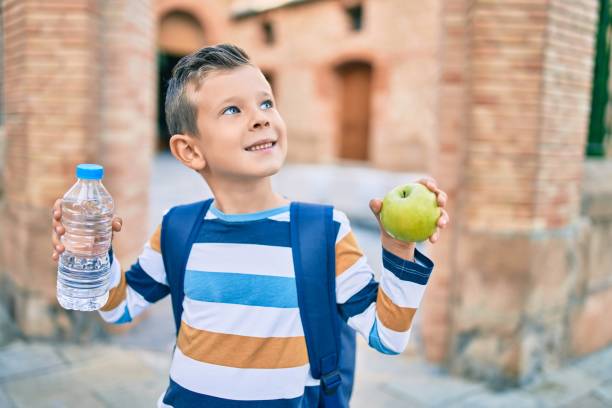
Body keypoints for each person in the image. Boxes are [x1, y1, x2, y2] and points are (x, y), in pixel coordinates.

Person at [51, 44, 450, 407]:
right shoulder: (178, 228)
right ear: (190, 150)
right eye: (232, 110)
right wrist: (91, 255)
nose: (260, 119)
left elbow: (388, 336)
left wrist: (399, 246)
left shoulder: (324, 231)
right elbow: (119, 308)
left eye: (266, 103)